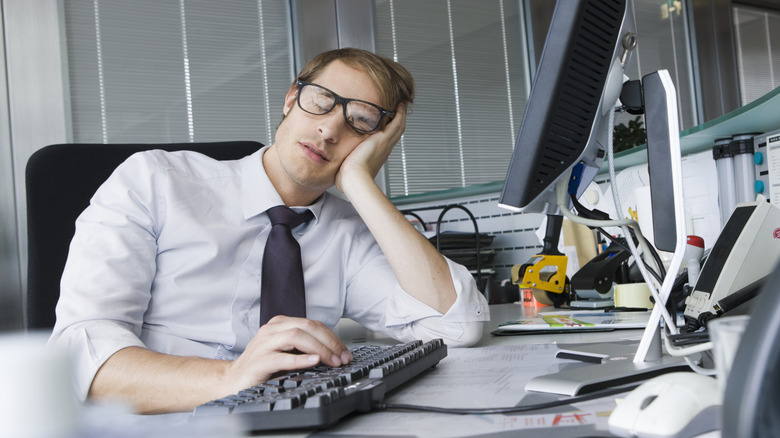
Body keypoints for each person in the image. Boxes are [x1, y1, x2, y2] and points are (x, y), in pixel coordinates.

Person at [49, 48, 489, 414]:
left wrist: (359, 183)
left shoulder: (347, 231)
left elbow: (457, 325)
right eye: (321, 100)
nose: (330, 128)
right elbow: (79, 359)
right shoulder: (155, 182)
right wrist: (231, 378)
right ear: (291, 98)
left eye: (361, 121)